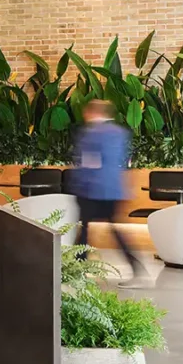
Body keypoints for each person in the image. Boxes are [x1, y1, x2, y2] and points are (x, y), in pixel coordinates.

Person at [71, 99, 153, 284]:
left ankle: (77, 271)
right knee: (107, 230)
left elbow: (88, 163)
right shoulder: (119, 133)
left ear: (91, 113)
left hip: (93, 189)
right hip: (114, 189)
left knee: (84, 230)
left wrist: (78, 184)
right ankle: (137, 270)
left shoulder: (91, 133)